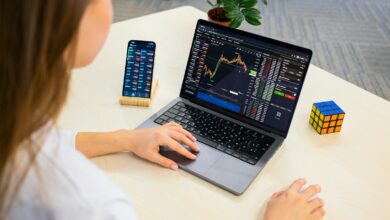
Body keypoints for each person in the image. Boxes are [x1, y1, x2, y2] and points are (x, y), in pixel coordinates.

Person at [0, 0, 325, 219]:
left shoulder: (14, 123)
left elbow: (41, 143)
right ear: (66, 21)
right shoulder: (93, 205)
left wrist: (127, 139)